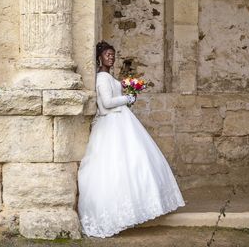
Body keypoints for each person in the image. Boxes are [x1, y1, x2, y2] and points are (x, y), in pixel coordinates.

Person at [77, 41, 184, 237]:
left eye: (113, 54)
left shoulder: (108, 76)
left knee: (133, 162)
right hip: (111, 123)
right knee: (116, 165)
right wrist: (128, 98)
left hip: (120, 120)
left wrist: (128, 95)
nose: (111, 57)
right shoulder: (101, 77)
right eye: (108, 54)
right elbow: (106, 104)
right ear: (99, 57)